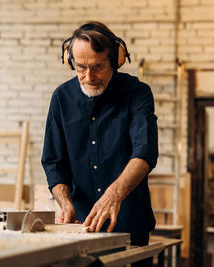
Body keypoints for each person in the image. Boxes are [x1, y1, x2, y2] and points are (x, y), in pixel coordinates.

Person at [41, 21, 158, 265]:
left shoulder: (137, 93)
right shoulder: (61, 98)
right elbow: (54, 162)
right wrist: (64, 202)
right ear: (70, 61)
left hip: (130, 227)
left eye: (97, 67)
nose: (89, 77)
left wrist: (113, 195)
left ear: (115, 59)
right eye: (80, 67)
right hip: (82, 228)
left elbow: (145, 151)